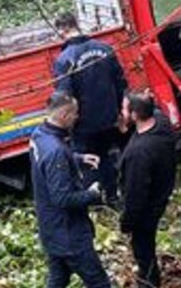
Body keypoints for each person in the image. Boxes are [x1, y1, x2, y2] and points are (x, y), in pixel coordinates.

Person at [29, 91, 120, 288]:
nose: (78, 117)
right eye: (75, 113)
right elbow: (63, 198)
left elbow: (52, 162)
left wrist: (78, 158)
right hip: (69, 232)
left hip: (50, 229)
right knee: (98, 283)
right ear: (64, 115)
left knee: (57, 280)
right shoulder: (56, 152)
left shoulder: (40, 135)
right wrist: (92, 194)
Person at [52, 13, 128, 206]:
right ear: (76, 25)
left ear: (62, 31)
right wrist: (119, 111)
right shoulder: (105, 48)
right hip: (109, 117)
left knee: (87, 162)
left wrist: (66, 126)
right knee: (108, 157)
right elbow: (120, 82)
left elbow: (64, 98)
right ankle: (113, 197)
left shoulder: (64, 60)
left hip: (83, 124)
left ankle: (94, 201)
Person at [119, 91, 177, 288]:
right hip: (160, 196)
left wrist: (127, 222)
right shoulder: (161, 125)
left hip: (146, 212)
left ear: (134, 115)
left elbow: (135, 195)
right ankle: (144, 287)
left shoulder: (139, 153)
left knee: (144, 253)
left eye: (124, 109)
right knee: (145, 251)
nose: (121, 113)